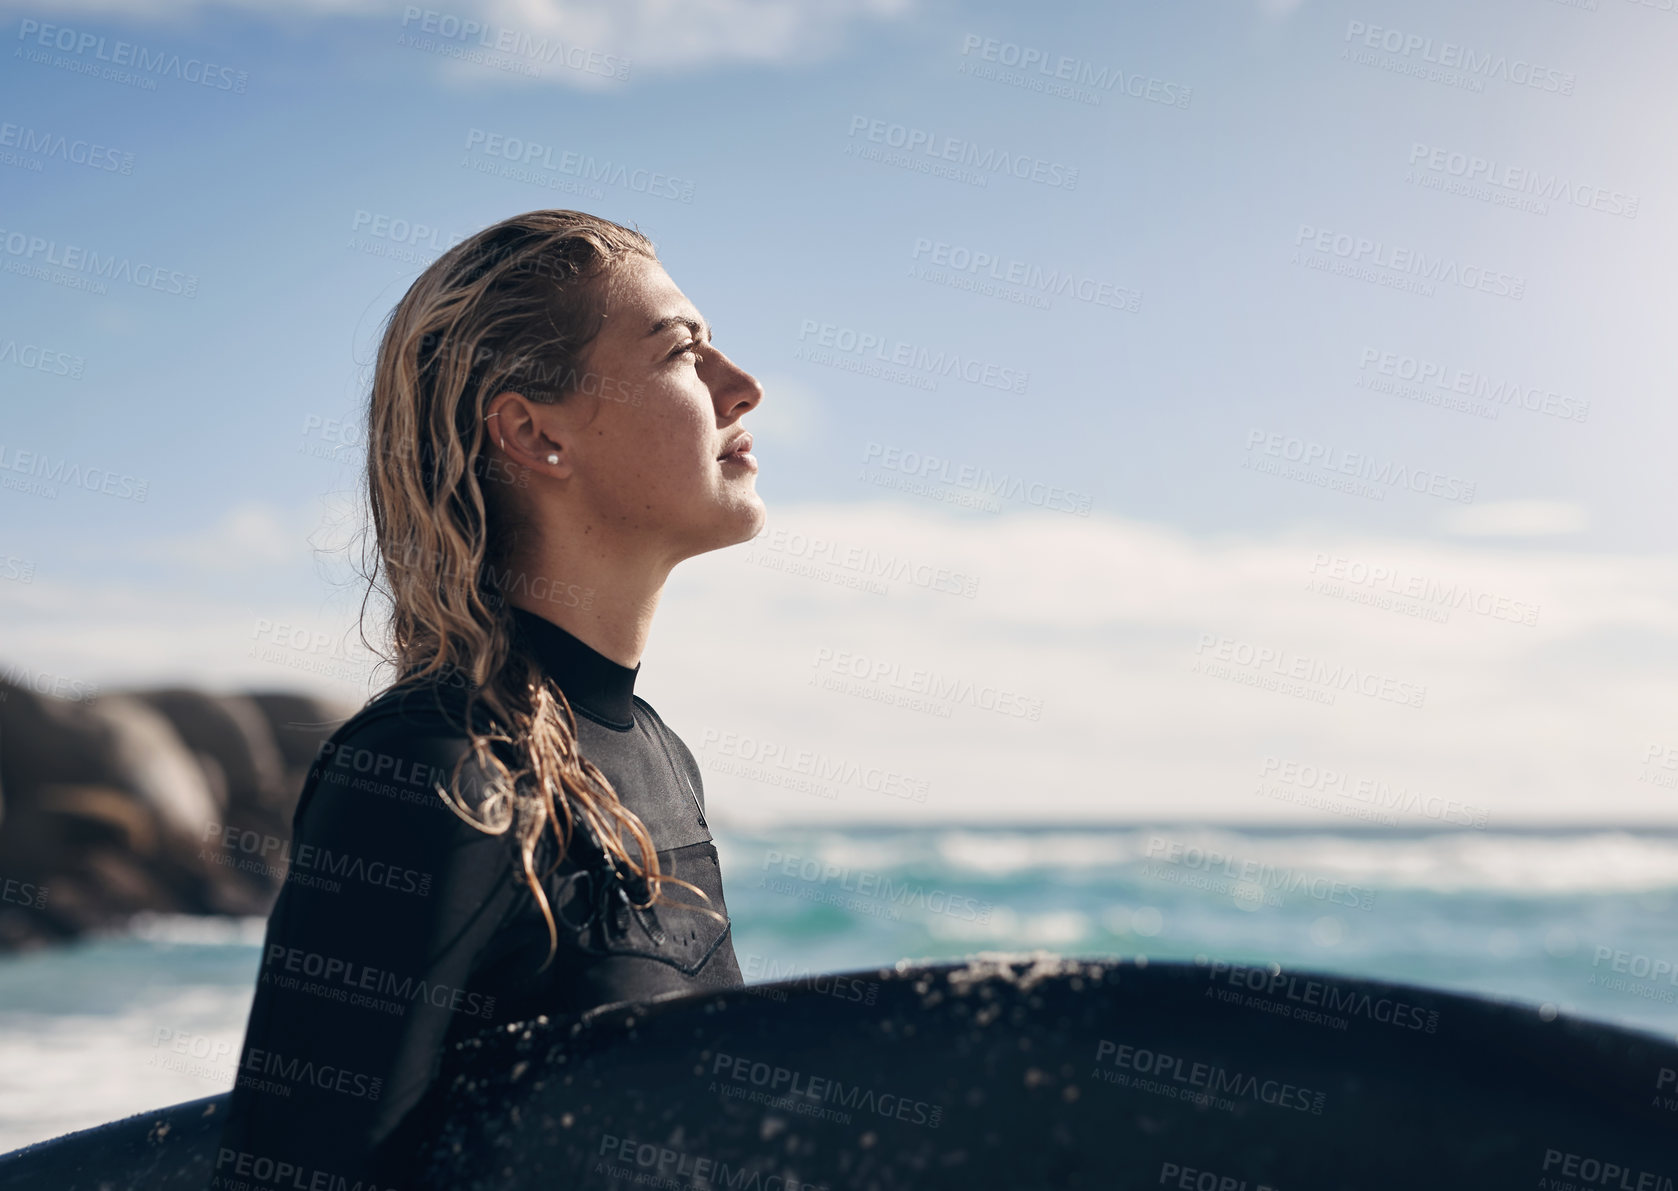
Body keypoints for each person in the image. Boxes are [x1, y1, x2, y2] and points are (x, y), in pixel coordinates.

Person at [212, 210, 766, 1190]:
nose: (742, 388)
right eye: (684, 353)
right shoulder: (431, 771)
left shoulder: (654, 753)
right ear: (534, 433)